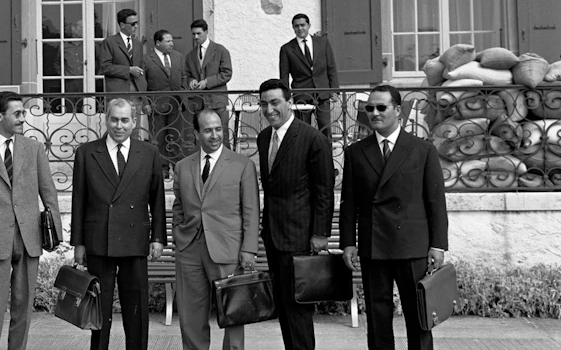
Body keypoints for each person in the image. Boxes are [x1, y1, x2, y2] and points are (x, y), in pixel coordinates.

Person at [340, 85, 449, 350]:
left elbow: (435, 201)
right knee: (378, 318)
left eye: (381, 107)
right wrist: (348, 243)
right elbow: (348, 203)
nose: (374, 113)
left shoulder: (422, 150)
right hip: (373, 245)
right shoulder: (356, 152)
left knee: (419, 316)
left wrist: (438, 244)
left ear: (398, 111)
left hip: (412, 245)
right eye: (370, 108)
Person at [0, 92, 62, 350]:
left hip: (29, 238)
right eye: (17, 114)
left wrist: (56, 236)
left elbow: (49, 193)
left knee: (23, 305)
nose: (22, 119)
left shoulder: (35, 149)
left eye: (23, 113)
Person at [71, 98, 165, 350]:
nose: (119, 126)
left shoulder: (149, 152)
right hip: (99, 240)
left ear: (134, 122)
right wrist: (78, 243)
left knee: (136, 309)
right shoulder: (87, 152)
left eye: (125, 120)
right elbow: (78, 201)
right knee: (99, 311)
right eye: (114, 119)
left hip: (135, 241)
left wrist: (157, 237)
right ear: (106, 120)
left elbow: (157, 198)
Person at [256, 79, 335, 350]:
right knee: (283, 306)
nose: (269, 109)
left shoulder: (314, 139)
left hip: (301, 238)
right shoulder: (264, 137)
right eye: (264, 104)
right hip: (273, 237)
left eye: (275, 102)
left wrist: (320, 234)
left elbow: (324, 191)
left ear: (289, 102)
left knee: (299, 309)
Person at [172, 109, 259, 350]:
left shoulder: (243, 165)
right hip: (189, 249)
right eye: (208, 130)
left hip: (229, 250)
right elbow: (178, 205)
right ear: (196, 133)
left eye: (218, 129)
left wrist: (249, 249)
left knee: (233, 314)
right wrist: (179, 234)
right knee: (190, 316)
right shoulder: (182, 166)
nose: (214, 135)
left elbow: (251, 211)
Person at [279, 14, 339, 138]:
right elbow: (284, 76)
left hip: (323, 93)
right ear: (293, 28)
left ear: (309, 26)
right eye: (296, 26)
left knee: (325, 128)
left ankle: (326, 155)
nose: (300, 28)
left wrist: (334, 90)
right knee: (303, 131)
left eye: (303, 25)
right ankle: (305, 156)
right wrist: (286, 96)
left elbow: (331, 68)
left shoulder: (323, 43)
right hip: (302, 95)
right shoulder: (287, 49)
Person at [182, 19, 233, 147]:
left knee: (222, 134)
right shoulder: (190, 55)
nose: (195, 37)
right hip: (199, 102)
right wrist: (191, 81)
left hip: (217, 100)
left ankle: (225, 163)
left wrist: (207, 82)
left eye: (198, 33)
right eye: (193, 34)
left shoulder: (221, 50)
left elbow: (227, 73)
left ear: (206, 32)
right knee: (202, 135)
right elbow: (186, 75)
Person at [143, 29, 186, 163]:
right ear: (157, 43)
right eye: (168, 41)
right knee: (158, 139)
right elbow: (142, 83)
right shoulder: (146, 59)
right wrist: (146, 103)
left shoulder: (178, 57)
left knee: (176, 137)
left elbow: (184, 77)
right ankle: (161, 170)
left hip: (176, 104)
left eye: (172, 41)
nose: (171, 44)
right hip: (156, 105)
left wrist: (183, 94)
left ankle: (177, 167)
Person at [96, 8, 147, 96]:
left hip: (138, 92)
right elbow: (105, 67)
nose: (136, 26)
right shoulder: (109, 42)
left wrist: (145, 101)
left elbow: (142, 69)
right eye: (133, 24)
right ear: (122, 25)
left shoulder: (138, 44)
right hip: (119, 92)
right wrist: (129, 70)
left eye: (137, 23)